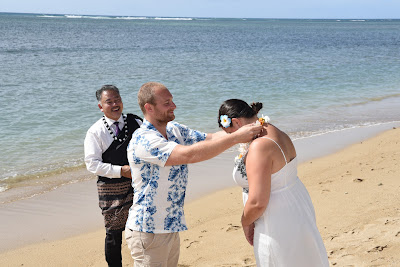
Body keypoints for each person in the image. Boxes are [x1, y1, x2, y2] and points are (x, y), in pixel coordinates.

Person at [124, 82, 263, 266]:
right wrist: (237, 137)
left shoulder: (173, 129)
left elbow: (211, 138)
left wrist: (248, 126)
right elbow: (189, 154)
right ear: (149, 108)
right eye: (167, 103)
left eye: (172, 101)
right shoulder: (144, 140)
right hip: (148, 229)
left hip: (169, 226)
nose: (174, 106)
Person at [218, 99, 329, 267]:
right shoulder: (273, 130)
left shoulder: (259, 146)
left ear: (236, 122)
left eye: (230, 133)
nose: (233, 139)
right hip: (297, 205)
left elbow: (257, 202)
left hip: (276, 219)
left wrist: (245, 222)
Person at [84, 85, 143, 267]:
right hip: (110, 188)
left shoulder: (136, 122)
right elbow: (92, 164)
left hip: (138, 183)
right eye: (109, 101)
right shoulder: (95, 132)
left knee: (143, 225)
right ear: (101, 107)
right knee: (113, 232)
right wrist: (121, 171)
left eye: (117, 99)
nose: (115, 104)